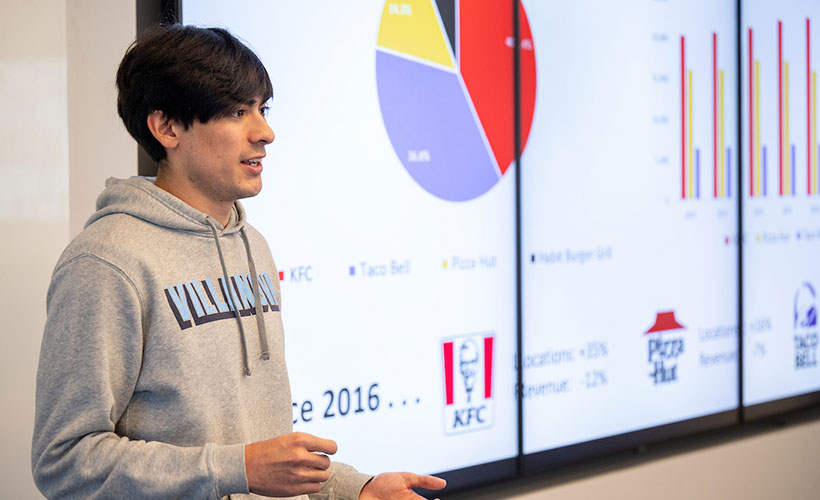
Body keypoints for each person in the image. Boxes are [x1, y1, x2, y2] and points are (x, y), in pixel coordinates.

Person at [31, 24, 446, 500]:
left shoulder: (254, 246)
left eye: (262, 109)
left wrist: (356, 489)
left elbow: (261, 452)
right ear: (167, 128)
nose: (265, 133)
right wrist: (236, 468)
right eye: (236, 111)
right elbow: (64, 462)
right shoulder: (106, 263)